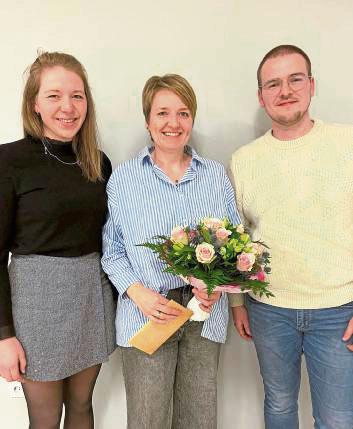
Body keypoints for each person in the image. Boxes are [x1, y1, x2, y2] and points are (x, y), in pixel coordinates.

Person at [102, 74, 241, 429]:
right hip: (148, 314)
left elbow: (235, 242)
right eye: (163, 113)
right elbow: (112, 251)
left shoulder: (214, 175)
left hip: (203, 316)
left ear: (192, 119)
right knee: (148, 421)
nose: (173, 123)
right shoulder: (124, 179)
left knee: (199, 421)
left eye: (183, 113)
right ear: (148, 121)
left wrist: (215, 285)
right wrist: (139, 294)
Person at [230, 44, 353, 429]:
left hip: (339, 309)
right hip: (269, 309)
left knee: (336, 419)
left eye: (295, 79)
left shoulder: (347, 143)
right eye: (273, 83)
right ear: (261, 96)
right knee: (280, 407)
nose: (285, 91)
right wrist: (237, 305)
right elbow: (236, 239)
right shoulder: (244, 160)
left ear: (312, 85)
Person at [0, 51, 116, 429]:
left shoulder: (98, 162)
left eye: (77, 95)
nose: (68, 106)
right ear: (34, 103)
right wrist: (3, 336)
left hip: (90, 297)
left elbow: (111, 239)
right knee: (45, 419)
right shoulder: (9, 160)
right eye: (54, 95)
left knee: (82, 406)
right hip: (35, 305)